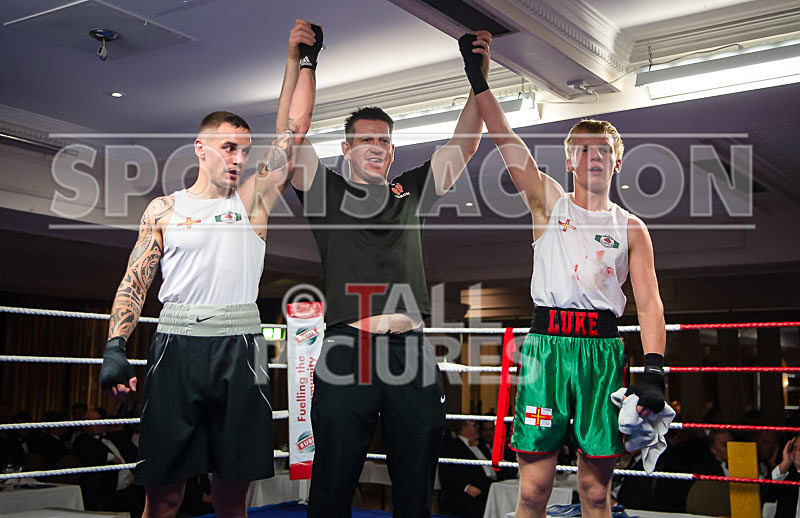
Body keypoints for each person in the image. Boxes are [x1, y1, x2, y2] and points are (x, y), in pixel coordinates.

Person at [285, 22, 491, 516]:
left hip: (411, 352)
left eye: (386, 141)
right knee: (333, 479)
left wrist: (477, 72)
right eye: (367, 140)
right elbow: (292, 133)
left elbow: (465, 144)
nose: (379, 147)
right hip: (347, 349)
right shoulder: (325, 192)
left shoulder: (411, 191)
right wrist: (304, 61)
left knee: (417, 480)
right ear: (347, 150)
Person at [459, 33, 667, 518]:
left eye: (604, 151)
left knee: (597, 493)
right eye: (585, 149)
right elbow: (506, 140)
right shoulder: (549, 203)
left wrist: (655, 369)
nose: (595, 156)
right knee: (532, 491)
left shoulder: (631, 227)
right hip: (546, 349)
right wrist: (478, 79)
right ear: (569, 160)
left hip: (602, 355)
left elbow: (651, 302)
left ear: (617, 162)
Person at [98, 29, 301, 513]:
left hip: (241, 350)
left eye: (245, 151)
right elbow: (136, 281)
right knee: (164, 496)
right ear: (200, 148)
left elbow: (293, 132)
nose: (239, 159)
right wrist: (114, 345)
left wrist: (297, 61)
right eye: (229, 148)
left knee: (232, 498)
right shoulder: (163, 209)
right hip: (175, 349)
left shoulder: (252, 202)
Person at [439, 420, 496, 518]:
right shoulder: (452, 446)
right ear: (463, 428)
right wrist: (466, 487)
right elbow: (447, 472)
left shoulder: (480, 445)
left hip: (491, 486)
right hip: (469, 493)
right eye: (474, 425)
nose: (478, 427)